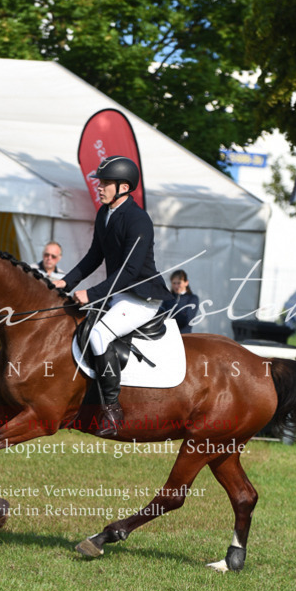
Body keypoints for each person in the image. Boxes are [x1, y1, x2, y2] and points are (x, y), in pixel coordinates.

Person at [53, 155, 169, 436]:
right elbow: (94, 256)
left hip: (142, 297)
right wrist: (65, 282)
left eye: (105, 183)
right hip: (119, 294)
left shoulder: (139, 220)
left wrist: (91, 294)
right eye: (100, 182)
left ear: (124, 187)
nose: (99, 187)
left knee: (99, 335)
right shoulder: (105, 213)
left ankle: (113, 410)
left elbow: (129, 272)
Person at [161, 270, 200, 334]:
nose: (176, 286)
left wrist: (169, 316)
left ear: (186, 282)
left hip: (185, 337)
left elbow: (186, 320)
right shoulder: (168, 298)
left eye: (179, 283)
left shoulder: (192, 299)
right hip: (168, 336)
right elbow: (160, 317)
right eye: (174, 283)